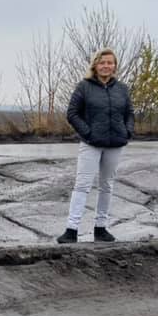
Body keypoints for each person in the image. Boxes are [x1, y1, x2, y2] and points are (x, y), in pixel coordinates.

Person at [57, 48, 134, 244]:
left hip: (115, 144)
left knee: (106, 186)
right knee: (82, 185)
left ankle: (101, 228)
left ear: (114, 65)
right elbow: (72, 113)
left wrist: (127, 132)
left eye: (110, 62)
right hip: (91, 144)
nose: (106, 66)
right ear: (95, 65)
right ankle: (71, 230)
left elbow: (130, 114)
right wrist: (88, 133)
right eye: (102, 62)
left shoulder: (122, 89)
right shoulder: (84, 87)